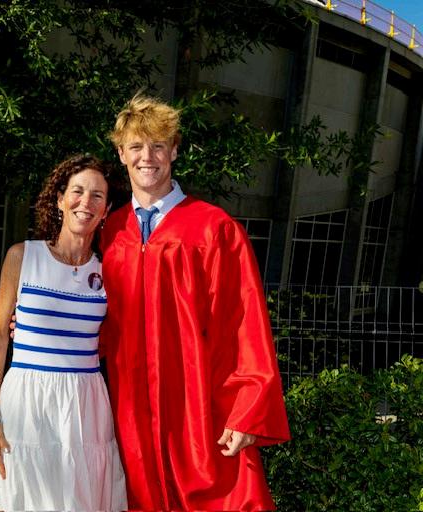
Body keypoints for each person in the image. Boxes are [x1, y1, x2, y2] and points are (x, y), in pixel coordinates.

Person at [99, 94, 290, 511]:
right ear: (121, 153)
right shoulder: (110, 230)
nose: (147, 157)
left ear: (174, 150)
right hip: (130, 412)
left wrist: (247, 408)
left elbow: (244, 322)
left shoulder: (213, 229)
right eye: (136, 146)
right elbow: (93, 313)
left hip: (199, 407)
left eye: (158, 146)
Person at [0, 154, 127, 511]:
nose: (85, 202)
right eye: (77, 191)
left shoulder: (112, 270)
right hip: (27, 405)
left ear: (107, 210)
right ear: (60, 199)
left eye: (97, 195)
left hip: (86, 407)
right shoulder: (22, 257)